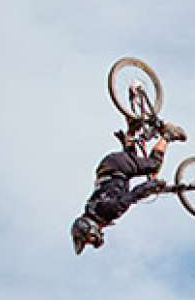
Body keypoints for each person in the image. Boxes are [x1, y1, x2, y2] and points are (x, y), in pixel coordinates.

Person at [71, 82, 188, 254]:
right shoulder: (92, 208)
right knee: (133, 162)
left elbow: (134, 195)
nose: (97, 236)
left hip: (118, 168)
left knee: (153, 166)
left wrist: (152, 186)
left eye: (90, 238)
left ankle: (167, 135)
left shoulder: (108, 212)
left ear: (88, 229)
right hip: (112, 168)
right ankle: (131, 127)